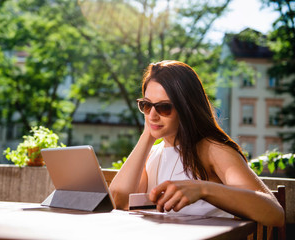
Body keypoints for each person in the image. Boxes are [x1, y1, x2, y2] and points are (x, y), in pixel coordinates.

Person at [109, 60, 284, 226]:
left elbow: (275, 214)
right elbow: (119, 201)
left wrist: (203, 189)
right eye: (146, 106)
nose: (152, 115)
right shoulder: (152, 156)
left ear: (186, 108)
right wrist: (147, 136)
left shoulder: (213, 150)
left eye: (164, 107)